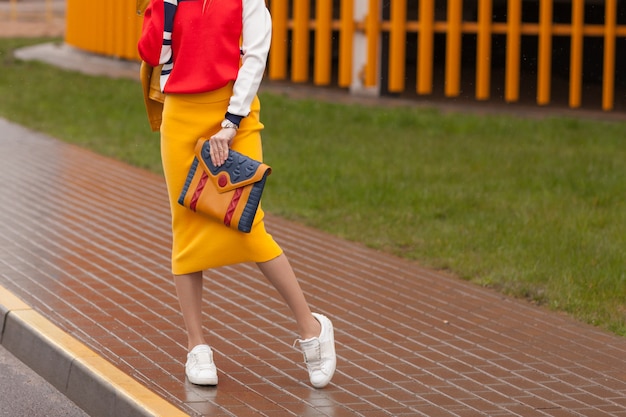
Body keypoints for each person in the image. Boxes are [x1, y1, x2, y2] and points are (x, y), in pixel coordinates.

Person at [137, 0, 336, 388]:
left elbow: (256, 56)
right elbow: (153, 54)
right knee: (187, 225)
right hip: (180, 117)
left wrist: (230, 122)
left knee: (247, 225)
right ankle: (197, 345)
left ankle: (312, 328)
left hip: (234, 116)